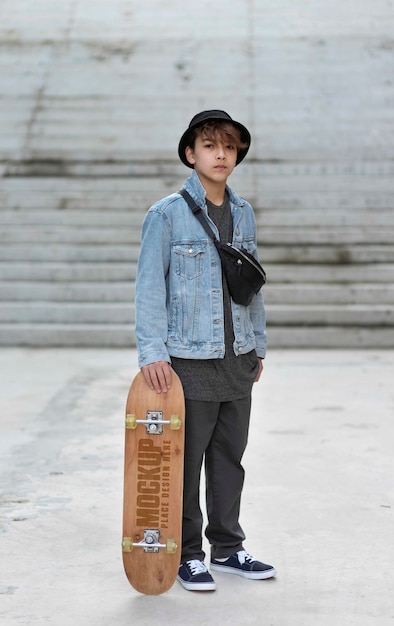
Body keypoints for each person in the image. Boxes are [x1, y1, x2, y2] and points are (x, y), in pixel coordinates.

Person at [135, 110, 276, 591]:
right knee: (185, 460)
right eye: (211, 146)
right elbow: (150, 287)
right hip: (189, 360)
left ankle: (229, 548)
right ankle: (187, 554)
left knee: (229, 459)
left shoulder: (243, 212)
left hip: (236, 359)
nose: (222, 155)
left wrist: (257, 345)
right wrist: (153, 352)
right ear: (191, 154)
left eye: (230, 147)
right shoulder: (165, 214)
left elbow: (250, 286)